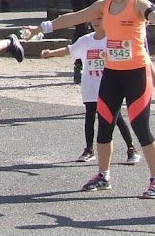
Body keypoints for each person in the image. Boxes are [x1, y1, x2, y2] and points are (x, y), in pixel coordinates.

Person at [24, 0, 155, 199]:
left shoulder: (137, 3)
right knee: (105, 125)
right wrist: (42, 28)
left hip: (136, 73)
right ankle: (103, 175)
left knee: (141, 128)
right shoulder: (104, 6)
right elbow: (73, 17)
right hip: (112, 73)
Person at [40, 12, 139, 164]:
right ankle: (88, 149)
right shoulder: (86, 40)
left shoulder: (113, 39)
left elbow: (126, 55)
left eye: (100, 18)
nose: (96, 21)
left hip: (110, 86)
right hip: (90, 86)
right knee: (90, 117)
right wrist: (50, 53)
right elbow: (70, 50)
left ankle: (131, 148)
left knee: (116, 118)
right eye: (93, 18)